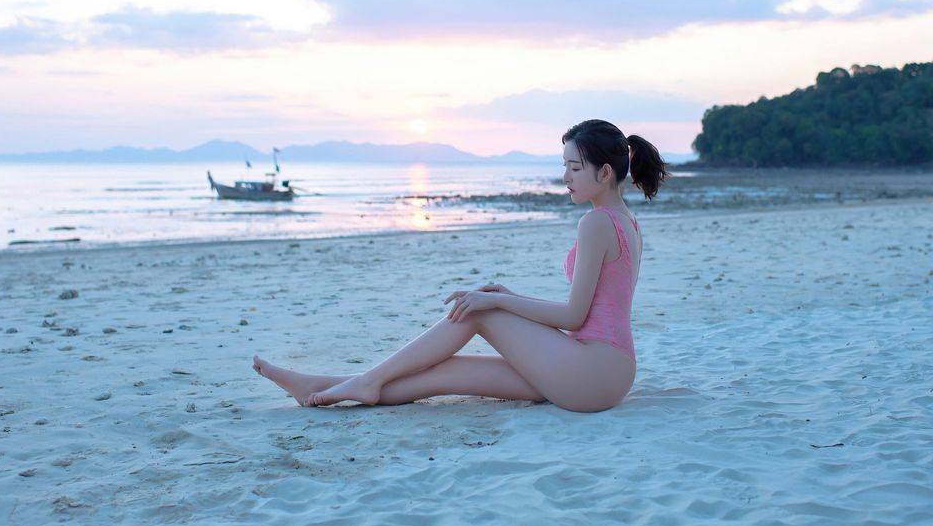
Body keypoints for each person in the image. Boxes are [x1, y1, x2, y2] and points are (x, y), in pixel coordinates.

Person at [252, 119, 669, 413]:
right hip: (605, 374)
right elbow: (595, 311)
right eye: (564, 166)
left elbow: (574, 315)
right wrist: (509, 297)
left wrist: (497, 305)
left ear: (606, 172)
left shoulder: (596, 223)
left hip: (591, 372)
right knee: (447, 372)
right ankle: (328, 385)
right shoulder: (626, 221)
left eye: (574, 167)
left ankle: (365, 382)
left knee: (475, 312)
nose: (565, 176)